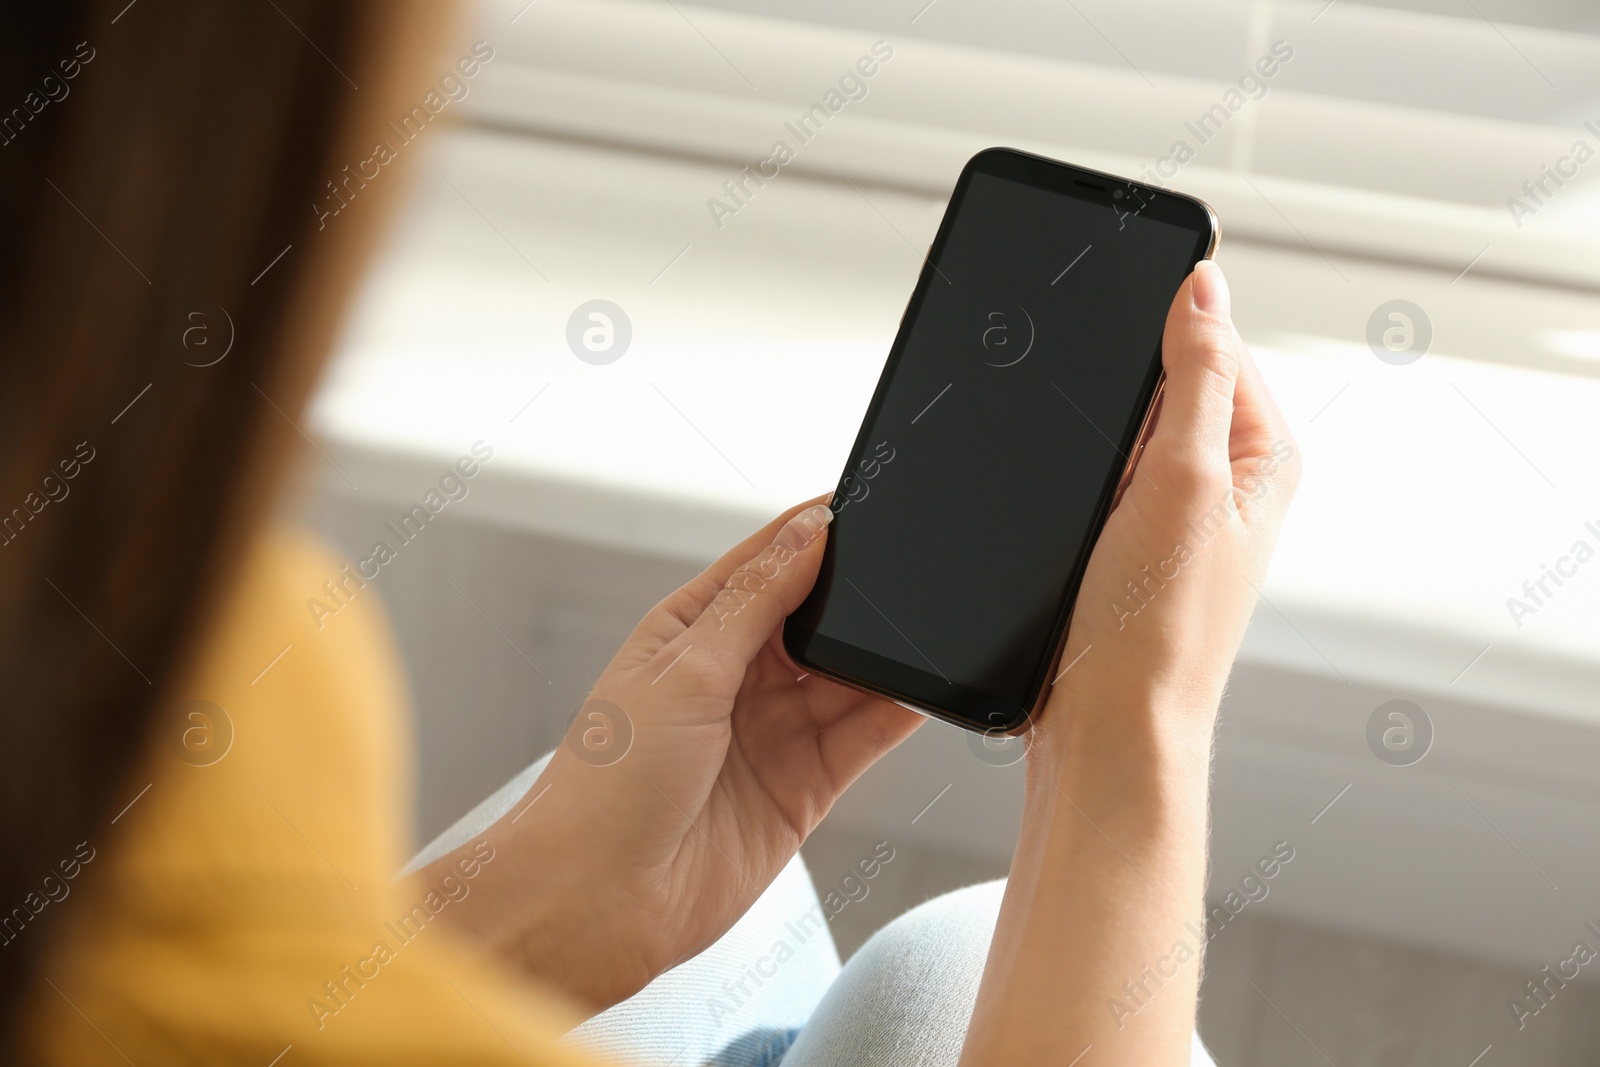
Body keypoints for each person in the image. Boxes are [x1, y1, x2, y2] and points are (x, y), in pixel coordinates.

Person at [0, 1, 1298, 1064]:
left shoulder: (158, 681)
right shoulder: (177, 663)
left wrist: (545, 903)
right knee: (956, 962)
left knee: (895, 949)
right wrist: (1132, 747)